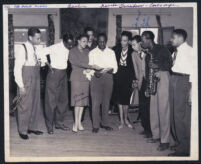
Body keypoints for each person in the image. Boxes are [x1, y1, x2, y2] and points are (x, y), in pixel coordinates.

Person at [141, 31, 172, 151]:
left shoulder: (162, 49)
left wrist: (158, 66)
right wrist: (148, 87)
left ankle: (165, 141)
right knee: (153, 110)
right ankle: (156, 135)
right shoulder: (148, 53)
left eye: (143, 41)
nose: (142, 43)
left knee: (163, 110)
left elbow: (170, 64)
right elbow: (148, 70)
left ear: (149, 39)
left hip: (163, 78)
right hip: (152, 81)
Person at [37, 33, 73, 134]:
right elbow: (40, 52)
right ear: (64, 41)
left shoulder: (69, 47)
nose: (70, 46)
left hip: (63, 74)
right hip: (54, 74)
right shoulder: (55, 47)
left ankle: (59, 123)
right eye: (68, 44)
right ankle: (49, 126)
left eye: (71, 44)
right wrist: (47, 64)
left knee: (63, 100)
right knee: (50, 101)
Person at [168, 29, 195, 156]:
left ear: (180, 38)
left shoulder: (190, 51)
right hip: (175, 79)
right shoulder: (176, 52)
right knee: (173, 114)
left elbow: (195, 72)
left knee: (180, 116)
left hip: (183, 81)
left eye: (173, 38)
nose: (171, 40)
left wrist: (191, 91)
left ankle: (184, 148)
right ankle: (179, 143)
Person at [14, 27, 43, 140]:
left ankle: (32, 127)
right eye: (37, 38)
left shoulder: (35, 48)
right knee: (24, 104)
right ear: (30, 37)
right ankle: (23, 130)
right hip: (26, 78)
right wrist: (20, 85)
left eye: (40, 38)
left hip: (35, 77)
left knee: (35, 103)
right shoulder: (22, 48)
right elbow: (17, 69)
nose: (39, 40)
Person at [69, 34, 102, 133]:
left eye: (86, 41)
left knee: (83, 102)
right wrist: (91, 66)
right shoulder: (72, 51)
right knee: (77, 101)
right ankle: (75, 123)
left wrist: (90, 68)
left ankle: (79, 122)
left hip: (85, 78)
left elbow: (90, 62)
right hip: (76, 78)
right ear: (78, 41)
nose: (85, 43)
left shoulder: (88, 51)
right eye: (83, 41)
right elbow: (76, 63)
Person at [89, 33, 118, 133]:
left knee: (106, 103)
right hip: (96, 79)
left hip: (108, 78)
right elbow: (90, 66)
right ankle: (95, 125)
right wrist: (95, 72)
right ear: (97, 41)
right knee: (96, 103)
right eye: (100, 41)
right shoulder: (92, 52)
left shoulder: (111, 52)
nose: (102, 43)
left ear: (106, 41)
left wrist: (112, 70)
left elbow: (115, 66)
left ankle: (105, 123)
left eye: (103, 41)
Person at [113, 31, 135, 129]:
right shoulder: (116, 50)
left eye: (125, 41)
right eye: (121, 40)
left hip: (128, 78)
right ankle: (121, 121)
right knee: (119, 101)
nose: (122, 42)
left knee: (126, 101)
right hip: (118, 77)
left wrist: (134, 80)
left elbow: (134, 67)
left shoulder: (132, 52)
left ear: (129, 42)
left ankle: (126, 119)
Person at [131, 35, 152, 138]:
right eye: (132, 45)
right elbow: (135, 70)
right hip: (141, 82)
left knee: (150, 106)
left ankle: (152, 129)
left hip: (150, 81)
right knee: (142, 106)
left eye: (134, 44)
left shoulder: (148, 51)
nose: (133, 47)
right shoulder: (133, 54)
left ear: (140, 43)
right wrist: (137, 81)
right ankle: (146, 128)